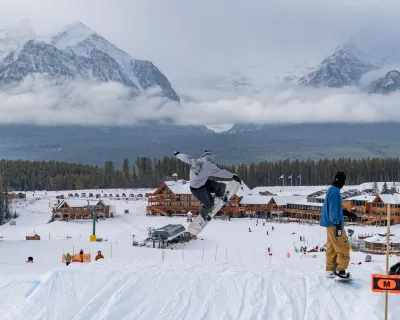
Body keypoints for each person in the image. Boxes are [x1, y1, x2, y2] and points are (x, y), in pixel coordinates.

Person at [174, 150, 241, 223]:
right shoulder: (209, 165)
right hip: (197, 189)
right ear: (211, 158)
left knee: (221, 186)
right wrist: (233, 176)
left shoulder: (196, 160)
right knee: (209, 205)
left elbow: (186, 158)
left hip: (203, 183)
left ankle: (219, 196)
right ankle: (203, 214)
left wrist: (178, 154)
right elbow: (221, 173)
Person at [320, 171, 351, 280]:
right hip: (334, 224)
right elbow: (333, 211)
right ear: (342, 181)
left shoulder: (332, 189)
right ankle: (340, 271)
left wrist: (347, 213)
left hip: (330, 224)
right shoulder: (335, 192)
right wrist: (337, 223)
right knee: (343, 246)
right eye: (344, 181)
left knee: (332, 247)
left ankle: (330, 270)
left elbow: (335, 208)